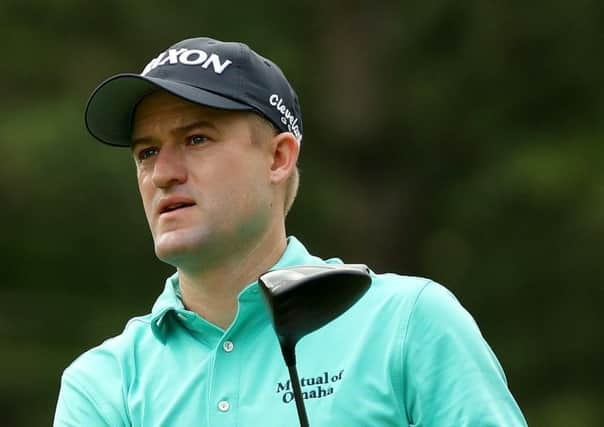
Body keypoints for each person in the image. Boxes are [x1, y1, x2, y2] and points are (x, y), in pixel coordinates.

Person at [54, 37, 527, 426]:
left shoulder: (408, 324)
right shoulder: (103, 384)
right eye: (146, 152)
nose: (163, 174)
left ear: (278, 158)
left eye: (196, 139)